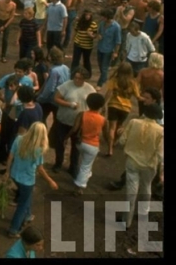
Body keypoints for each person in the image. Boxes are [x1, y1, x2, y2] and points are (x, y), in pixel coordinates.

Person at [4, 123, 58, 238]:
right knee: (22, 204)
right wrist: (50, 181)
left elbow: (10, 157)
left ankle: (28, 216)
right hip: (27, 180)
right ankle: (13, 229)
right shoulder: (38, 149)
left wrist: (7, 172)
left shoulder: (19, 139)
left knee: (26, 196)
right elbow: (40, 169)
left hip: (15, 175)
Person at [117, 102, 164, 230]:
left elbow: (121, 141)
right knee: (146, 187)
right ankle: (143, 213)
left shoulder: (133, 123)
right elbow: (161, 154)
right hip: (150, 165)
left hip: (132, 161)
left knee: (131, 191)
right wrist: (161, 173)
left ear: (145, 113)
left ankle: (126, 221)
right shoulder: (161, 131)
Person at [52, 67, 96, 177]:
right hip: (63, 120)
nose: (77, 80)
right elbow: (56, 98)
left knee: (76, 147)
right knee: (60, 143)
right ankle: (58, 163)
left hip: (79, 123)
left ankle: (73, 167)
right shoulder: (66, 85)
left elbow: (94, 105)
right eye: (76, 77)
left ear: (84, 79)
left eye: (80, 78)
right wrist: (69, 104)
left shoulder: (90, 89)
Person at [66, 92, 107, 195]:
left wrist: (66, 138)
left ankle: (83, 177)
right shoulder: (103, 119)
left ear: (88, 103)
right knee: (86, 165)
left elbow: (74, 129)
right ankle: (79, 187)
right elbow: (106, 135)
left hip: (80, 142)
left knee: (84, 163)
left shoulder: (82, 114)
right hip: (93, 145)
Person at [102, 62, 140, 157]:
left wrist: (104, 104)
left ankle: (110, 149)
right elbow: (138, 96)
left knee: (112, 128)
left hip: (113, 106)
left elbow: (109, 93)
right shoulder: (133, 82)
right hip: (126, 108)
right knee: (120, 126)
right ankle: (115, 141)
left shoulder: (114, 80)